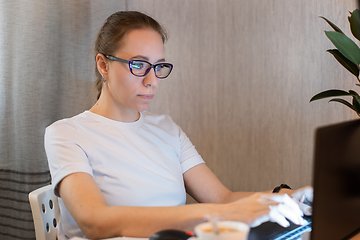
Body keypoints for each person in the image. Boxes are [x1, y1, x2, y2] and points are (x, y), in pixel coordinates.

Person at [44, 11, 313, 240]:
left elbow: (221, 198)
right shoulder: (67, 133)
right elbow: (95, 221)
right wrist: (218, 215)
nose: (152, 80)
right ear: (103, 65)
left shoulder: (167, 129)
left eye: (158, 66)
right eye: (139, 64)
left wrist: (285, 198)